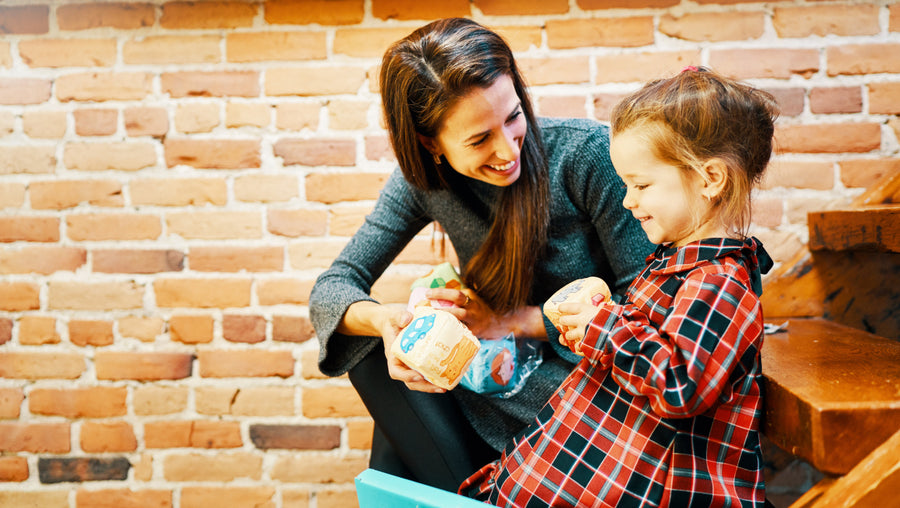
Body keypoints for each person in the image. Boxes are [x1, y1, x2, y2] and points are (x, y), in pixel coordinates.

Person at [308, 18, 654, 491]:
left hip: (582, 387)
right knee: (378, 355)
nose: (508, 149)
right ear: (430, 142)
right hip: (493, 376)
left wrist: (513, 321)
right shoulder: (424, 183)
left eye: (513, 117)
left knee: (400, 433)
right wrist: (389, 323)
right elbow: (332, 287)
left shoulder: (585, 155)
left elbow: (648, 307)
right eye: (478, 139)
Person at [459, 67, 778, 507]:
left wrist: (604, 326)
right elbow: (637, 356)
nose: (628, 200)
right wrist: (593, 329)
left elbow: (680, 384)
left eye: (641, 184)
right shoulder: (674, 266)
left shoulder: (719, 281)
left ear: (710, 179)